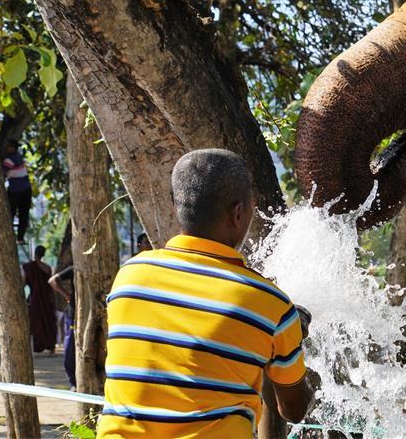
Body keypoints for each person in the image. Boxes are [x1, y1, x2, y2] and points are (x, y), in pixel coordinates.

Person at [97, 149, 314, 438]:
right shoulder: (268, 304)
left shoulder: (129, 277)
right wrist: (291, 339)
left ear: (177, 206)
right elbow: (294, 410)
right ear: (238, 213)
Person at [22, 245, 57, 354]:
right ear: (43, 254)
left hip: (35, 300)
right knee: (49, 321)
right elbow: (50, 285)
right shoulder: (47, 268)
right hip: (47, 300)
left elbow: (23, 284)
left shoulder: (28, 267)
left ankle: (38, 347)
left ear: (35, 253)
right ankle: (50, 346)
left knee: (36, 322)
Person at [49, 265, 76, 390]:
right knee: (70, 348)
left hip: (93, 313)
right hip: (73, 314)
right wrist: (67, 295)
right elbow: (52, 281)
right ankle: (73, 382)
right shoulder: (74, 269)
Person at [1, 139, 32, 244]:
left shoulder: (9, 160)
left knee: (11, 214)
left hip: (16, 191)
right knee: (24, 215)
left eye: (8, 146)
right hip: (26, 189)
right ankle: (20, 238)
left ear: (13, 148)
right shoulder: (19, 156)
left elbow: (2, 172)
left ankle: (10, 236)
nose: (6, 148)